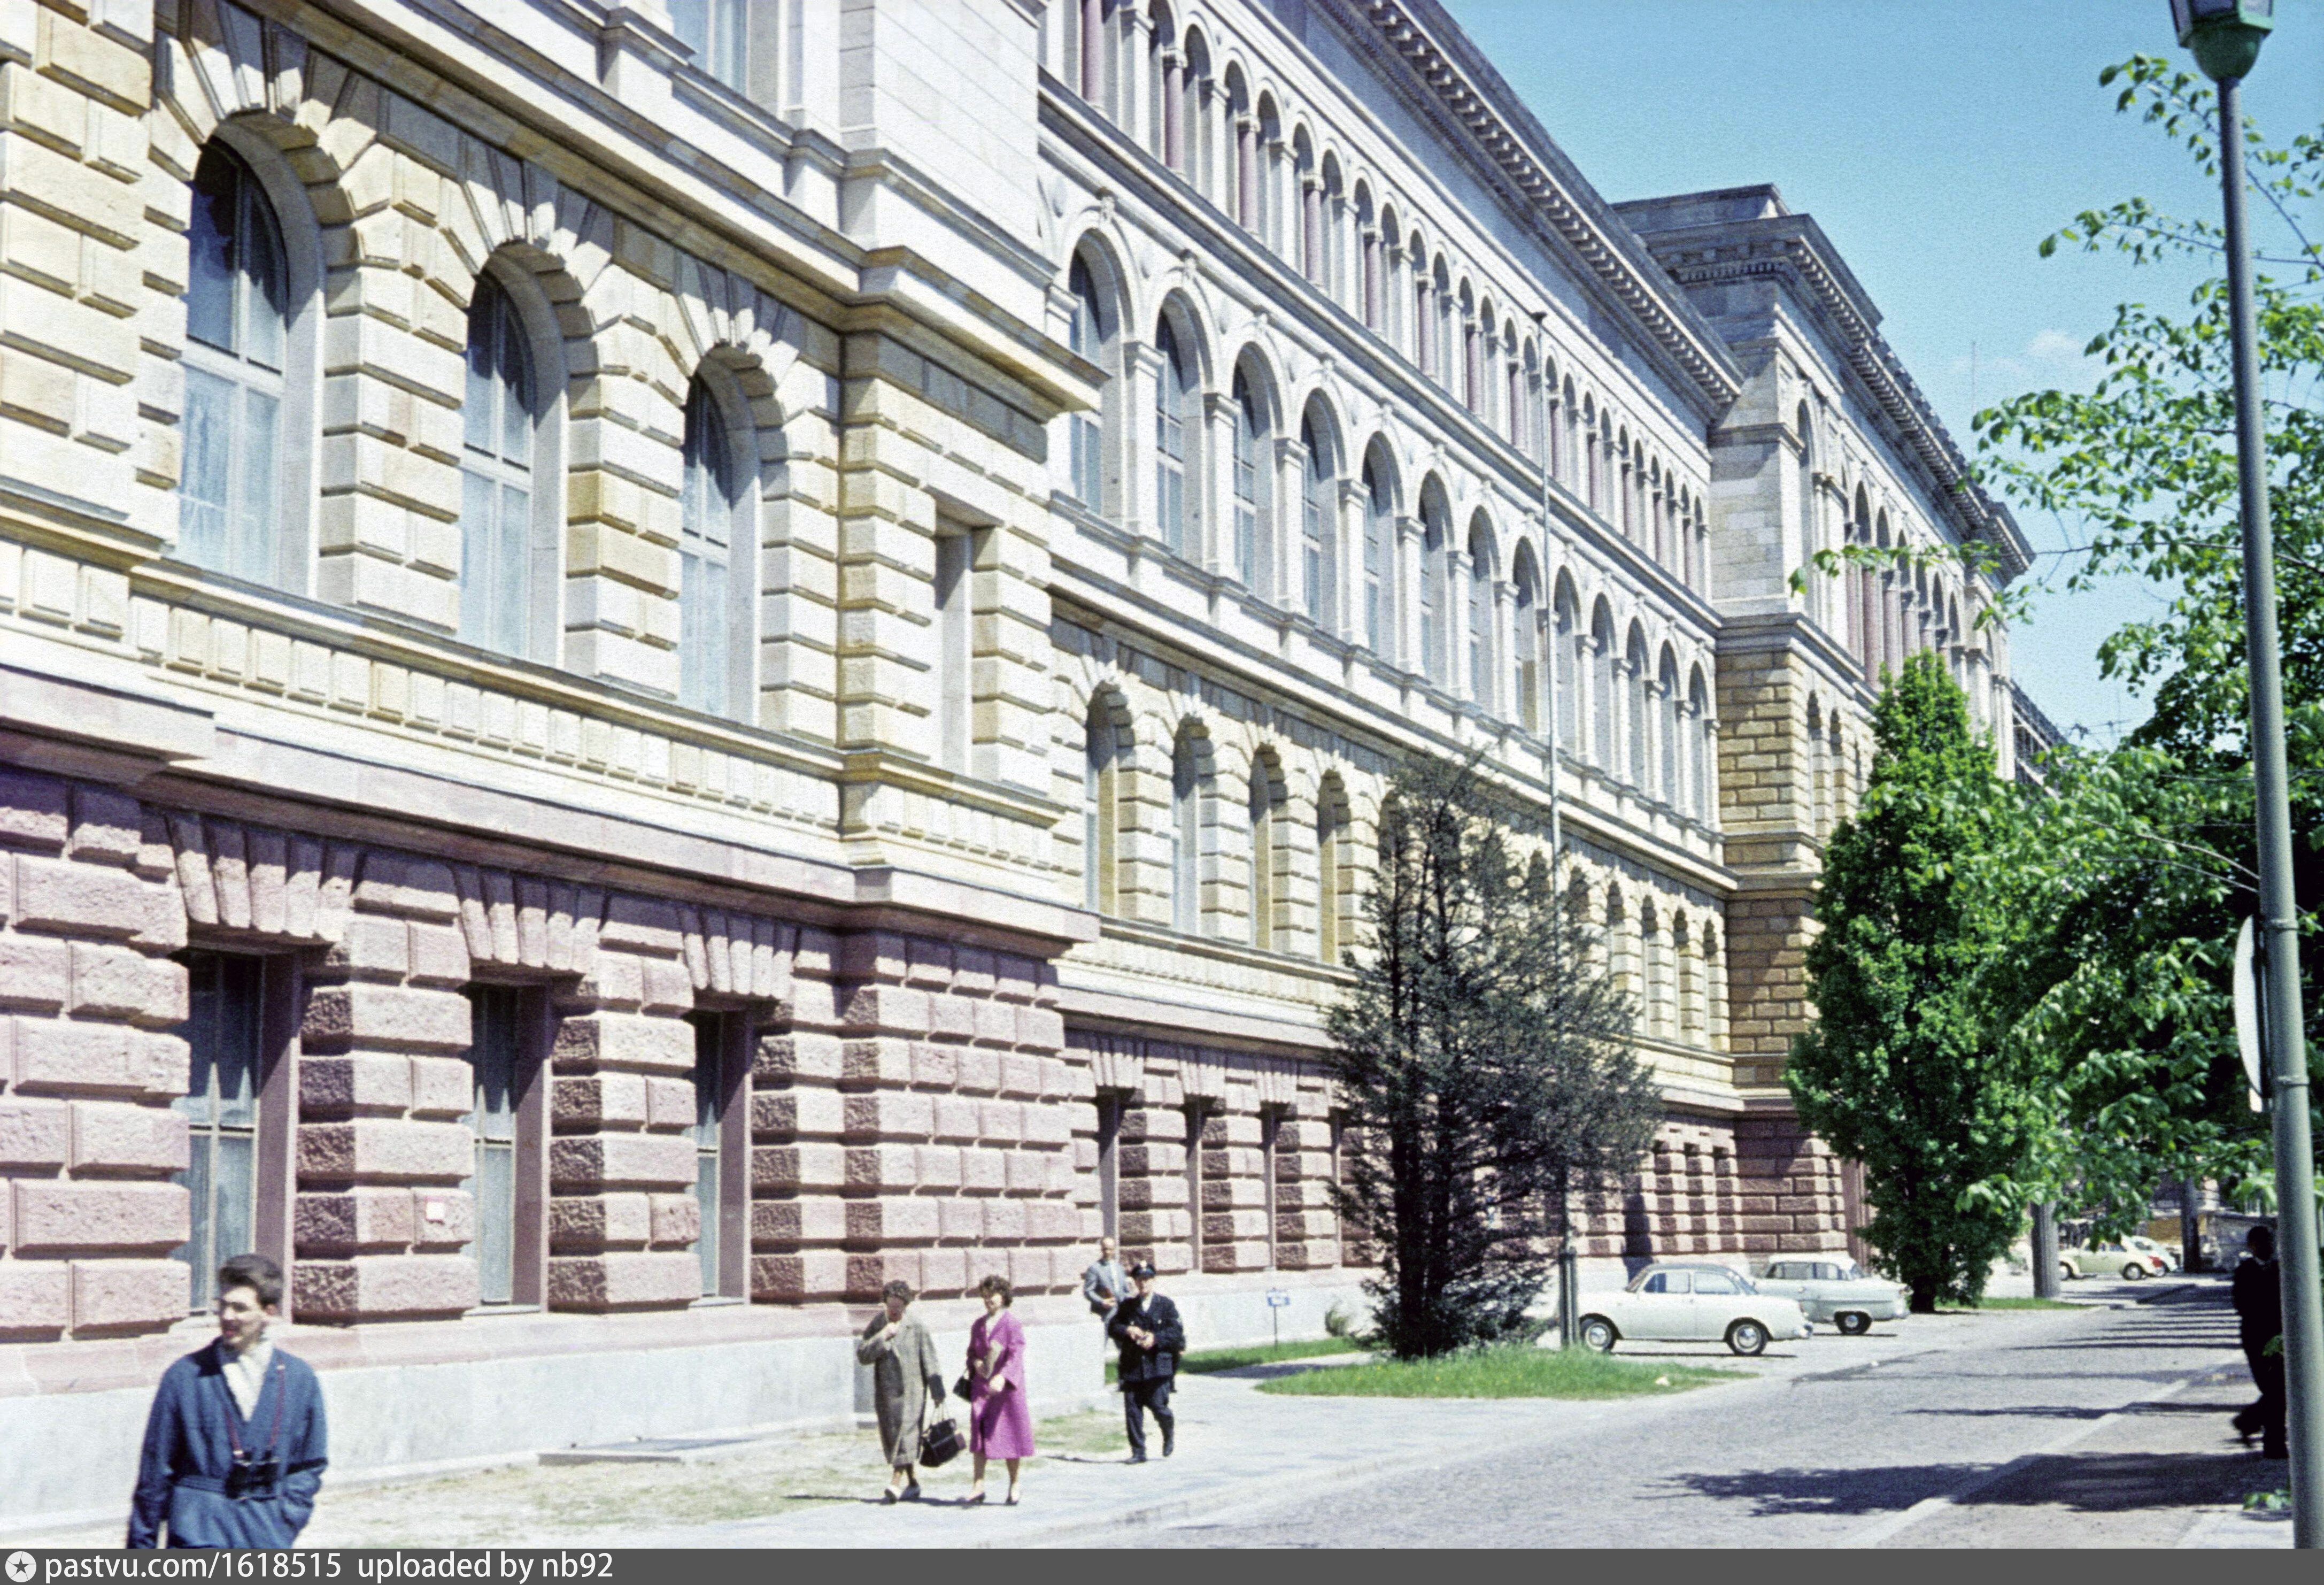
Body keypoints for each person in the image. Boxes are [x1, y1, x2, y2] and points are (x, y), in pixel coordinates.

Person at [128, 1253, 328, 1548]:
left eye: (240, 1308)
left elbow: (309, 1464)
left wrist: (286, 1517)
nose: (227, 1316)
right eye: (223, 1305)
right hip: (198, 1536)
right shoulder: (185, 1377)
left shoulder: (299, 1379)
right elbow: (154, 1475)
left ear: (268, 1312)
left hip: (266, 1535)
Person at [856, 1278, 946, 1502]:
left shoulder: (916, 1325)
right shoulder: (879, 1323)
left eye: (898, 1307)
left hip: (913, 1391)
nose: (894, 1311)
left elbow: (930, 1358)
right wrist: (883, 1337)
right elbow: (863, 1355)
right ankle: (913, 1483)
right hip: (887, 1393)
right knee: (895, 1436)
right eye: (890, 1306)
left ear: (906, 1305)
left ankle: (895, 1483)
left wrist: (937, 1391)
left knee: (906, 1435)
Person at [964, 1273, 1035, 1505]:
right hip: (982, 1388)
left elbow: (1016, 1355)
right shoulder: (979, 1325)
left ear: (1003, 1296)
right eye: (984, 1296)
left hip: (1005, 1392)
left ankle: (1014, 1483)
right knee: (979, 1434)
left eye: (992, 1295)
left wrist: (1003, 1377)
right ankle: (978, 1485)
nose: (988, 1300)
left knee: (1009, 1434)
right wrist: (975, 1363)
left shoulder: (1012, 1324)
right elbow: (971, 1353)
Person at [1107, 1261, 1184, 1464]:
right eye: (1140, 1280)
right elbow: (1113, 1327)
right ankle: (1138, 1452)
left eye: (1147, 1280)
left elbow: (1176, 1332)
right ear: (1134, 1282)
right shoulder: (1128, 1306)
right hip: (1133, 1367)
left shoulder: (1165, 1305)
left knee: (1159, 1407)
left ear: (1154, 1281)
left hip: (1158, 1367)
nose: (1143, 1284)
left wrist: (1155, 1339)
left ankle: (1168, 1429)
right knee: (1133, 1412)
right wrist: (1127, 1330)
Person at [2232, 1225, 2287, 1459]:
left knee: (2279, 1389)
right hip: (2256, 1338)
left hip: (2280, 1338)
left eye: (2269, 1242)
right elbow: (2241, 1304)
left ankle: (2266, 1437)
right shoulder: (2244, 1271)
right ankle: (2262, 1434)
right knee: (2274, 1390)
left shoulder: (2281, 1268)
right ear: (2251, 1246)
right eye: (2260, 1243)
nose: (2266, 1247)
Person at [1082, 1236, 1130, 1322]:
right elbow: (1088, 1291)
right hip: (1105, 1314)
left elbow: (1126, 1291)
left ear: (1114, 1250)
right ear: (1101, 1249)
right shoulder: (1095, 1269)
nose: (1107, 1252)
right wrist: (1102, 1302)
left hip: (1123, 1313)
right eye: (1105, 1249)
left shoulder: (1119, 1268)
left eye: (1110, 1249)